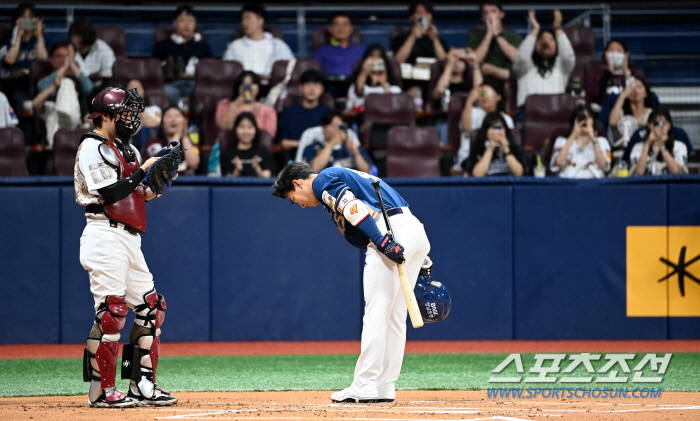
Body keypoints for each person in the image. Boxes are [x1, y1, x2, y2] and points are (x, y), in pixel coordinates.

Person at [271, 162, 431, 403]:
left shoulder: (322, 180)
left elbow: (352, 207)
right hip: (415, 230)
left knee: (377, 313)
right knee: (396, 317)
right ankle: (384, 386)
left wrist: (382, 241)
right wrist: (422, 257)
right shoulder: (344, 175)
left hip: (388, 231)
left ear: (297, 183)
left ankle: (365, 385)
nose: (300, 204)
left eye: (294, 198)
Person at [75, 87, 178, 408]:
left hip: (130, 238)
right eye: (124, 113)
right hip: (103, 234)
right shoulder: (91, 146)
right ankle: (100, 391)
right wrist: (144, 170)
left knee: (150, 309)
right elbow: (109, 192)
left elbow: (137, 194)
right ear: (104, 116)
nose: (131, 119)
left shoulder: (127, 150)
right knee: (111, 313)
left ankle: (140, 383)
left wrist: (157, 185)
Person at [512, 10, 575, 108]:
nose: (546, 42)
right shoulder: (525, 68)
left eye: (551, 39)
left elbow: (568, 56)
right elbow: (522, 57)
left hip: (556, 113)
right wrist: (535, 30)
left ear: (557, 45)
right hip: (528, 114)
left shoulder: (561, 68)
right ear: (534, 44)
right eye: (541, 39)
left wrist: (557, 28)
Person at [153, 5, 212, 106]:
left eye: (191, 21)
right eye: (182, 20)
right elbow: (154, 69)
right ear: (174, 23)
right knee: (168, 91)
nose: (187, 25)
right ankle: (181, 116)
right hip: (172, 84)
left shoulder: (203, 47)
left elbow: (210, 70)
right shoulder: (163, 45)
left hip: (196, 85)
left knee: (205, 93)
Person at [275, 69, 333, 167]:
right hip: (295, 160)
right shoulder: (289, 112)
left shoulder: (329, 113)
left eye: (317, 85)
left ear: (322, 89)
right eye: (308, 84)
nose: (312, 89)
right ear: (300, 88)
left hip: (325, 158)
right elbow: (283, 142)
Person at [222, 4, 294, 80]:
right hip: (246, 87)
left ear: (260, 21)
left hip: (272, 86)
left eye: (248, 18)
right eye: (243, 19)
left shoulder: (278, 45)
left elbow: (291, 68)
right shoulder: (235, 46)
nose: (244, 23)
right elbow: (226, 71)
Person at [0, 3, 48, 111]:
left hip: (39, 85)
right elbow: (9, 61)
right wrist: (18, 37)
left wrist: (39, 36)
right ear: (17, 20)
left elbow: (43, 60)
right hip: (18, 86)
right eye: (23, 18)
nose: (27, 22)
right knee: (21, 102)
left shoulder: (44, 41)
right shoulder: (9, 41)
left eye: (30, 18)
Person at [457, 78, 513, 169]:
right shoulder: (471, 112)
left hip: (498, 162)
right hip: (469, 159)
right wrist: (469, 101)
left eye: (487, 93)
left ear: (498, 96)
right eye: (481, 93)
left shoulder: (506, 119)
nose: (484, 97)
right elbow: (466, 128)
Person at [297, 111, 372, 173]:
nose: (337, 130)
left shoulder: (351, 146)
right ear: (324, 127)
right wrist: (331, 144)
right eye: (334, 125)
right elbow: (314, 169)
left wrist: (355, 153)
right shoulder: (313, 147)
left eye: (341, 126)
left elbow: (367, 172)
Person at [550, 105, 611, 179]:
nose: (585, 121)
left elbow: (603, 165)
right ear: (575, 120)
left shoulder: (601, 141)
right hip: (569, 181)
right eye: (582, 118)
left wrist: (593, 138)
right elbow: (558, 162)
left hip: (593, 182)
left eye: (588, 118)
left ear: (593, 120)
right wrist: (573, 134)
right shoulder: (562, 140)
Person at [467, 1, 522, 82]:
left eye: (493, 11)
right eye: (486, 12)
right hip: (483, 80)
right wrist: (489, 34)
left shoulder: (513, 35)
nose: (490, 16)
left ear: (501, 14)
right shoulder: (475, 36)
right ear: (482, 17)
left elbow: (517, 59)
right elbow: (473, 62)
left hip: (507, 79)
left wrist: (498, 35)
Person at [216, 70, 277, 138]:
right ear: (238, 87)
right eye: (244, 84)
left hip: (257, 146)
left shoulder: (267, 110)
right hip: (228, 145)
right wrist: (235, 104)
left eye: (252, 83)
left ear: (258, 87)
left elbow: (268, 135)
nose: (248, 87)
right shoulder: (226, 104)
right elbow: (223, 127)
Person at [464, 111, 523, 177]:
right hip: (486, 185)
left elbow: (519, 173)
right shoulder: (478, 149)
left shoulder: (513, 148)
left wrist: (505, 147)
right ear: (486, 131)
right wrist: (490, 148)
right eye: (493, 128)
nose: (496, 132)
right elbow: (477, 175)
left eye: (499, 128)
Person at [630, 108, 687, 176]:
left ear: (670, 125)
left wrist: (662, 147)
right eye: (656, 124)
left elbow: (676, 170)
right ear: (649, 125)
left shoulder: (679, 146)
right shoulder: (638, 147)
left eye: (664, 124)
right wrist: (647, 144)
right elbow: (638, 173)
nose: (660, 127)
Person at [143, 106, 200, 174]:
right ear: (162, 124)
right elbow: (162, 164)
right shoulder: (153, 142)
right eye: (168, 116)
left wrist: (184, 136)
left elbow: (193, 163)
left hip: (186, 183)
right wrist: (177, 135)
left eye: (177, 116)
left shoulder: (189, 143)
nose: (173, 120)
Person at [346, 44, 402, 112]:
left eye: (378, 57)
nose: (375, 61)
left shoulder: (394, 89)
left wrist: (384, 82)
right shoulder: (356, 87)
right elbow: (358, 96)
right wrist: (364, 72)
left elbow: (394, 106)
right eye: (372, 56)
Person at [590, 39, 645, 107]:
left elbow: (638, 94)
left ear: (626, 54)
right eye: (612, 50)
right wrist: (608, 72)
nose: (615, 54)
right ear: (605, 53)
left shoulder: (636, 72)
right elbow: (595, 96)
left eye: (619, 51)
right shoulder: (596, 72)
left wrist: (627, 72)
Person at [391, 0, 448, 65]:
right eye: (420, 12)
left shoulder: (440, 41)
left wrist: (435, 39)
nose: (424, 16)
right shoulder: (401, 39)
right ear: (412, 17)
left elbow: (444, 63)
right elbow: (398, 62)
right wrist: (412, 37)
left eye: (427, 13)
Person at [220, 112, 275, 177]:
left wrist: (257, 169)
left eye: (250, 127)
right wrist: (237, 170)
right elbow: (226, 180)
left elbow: (267, 177)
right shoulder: (227, 154)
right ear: (235, 130)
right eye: (242, 127)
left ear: (255, 130)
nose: (246, 131)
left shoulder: (263, 153)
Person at [69, 18, 116, 94]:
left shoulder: (102, 48)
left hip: (100, 88)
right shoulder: (69, 50)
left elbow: (107, 75)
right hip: (78, 87)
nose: (74, 39)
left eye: (77, 36)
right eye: (72, 35)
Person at [313, 12, 365, 78]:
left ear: (352, 29)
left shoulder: (362, 51)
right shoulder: (321, 51)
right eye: (336, 24)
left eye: (345, 24)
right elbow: (314, 75)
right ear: (330, 29)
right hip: (329, 85)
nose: (341, 29)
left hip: (355, 85)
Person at [608, 76, 654, 141]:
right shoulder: (621, 112)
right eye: (631, 87)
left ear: (646, 93)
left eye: (639, 87)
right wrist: (623, 96)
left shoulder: (651, 113)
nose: (635, 90)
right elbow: (612, 122)